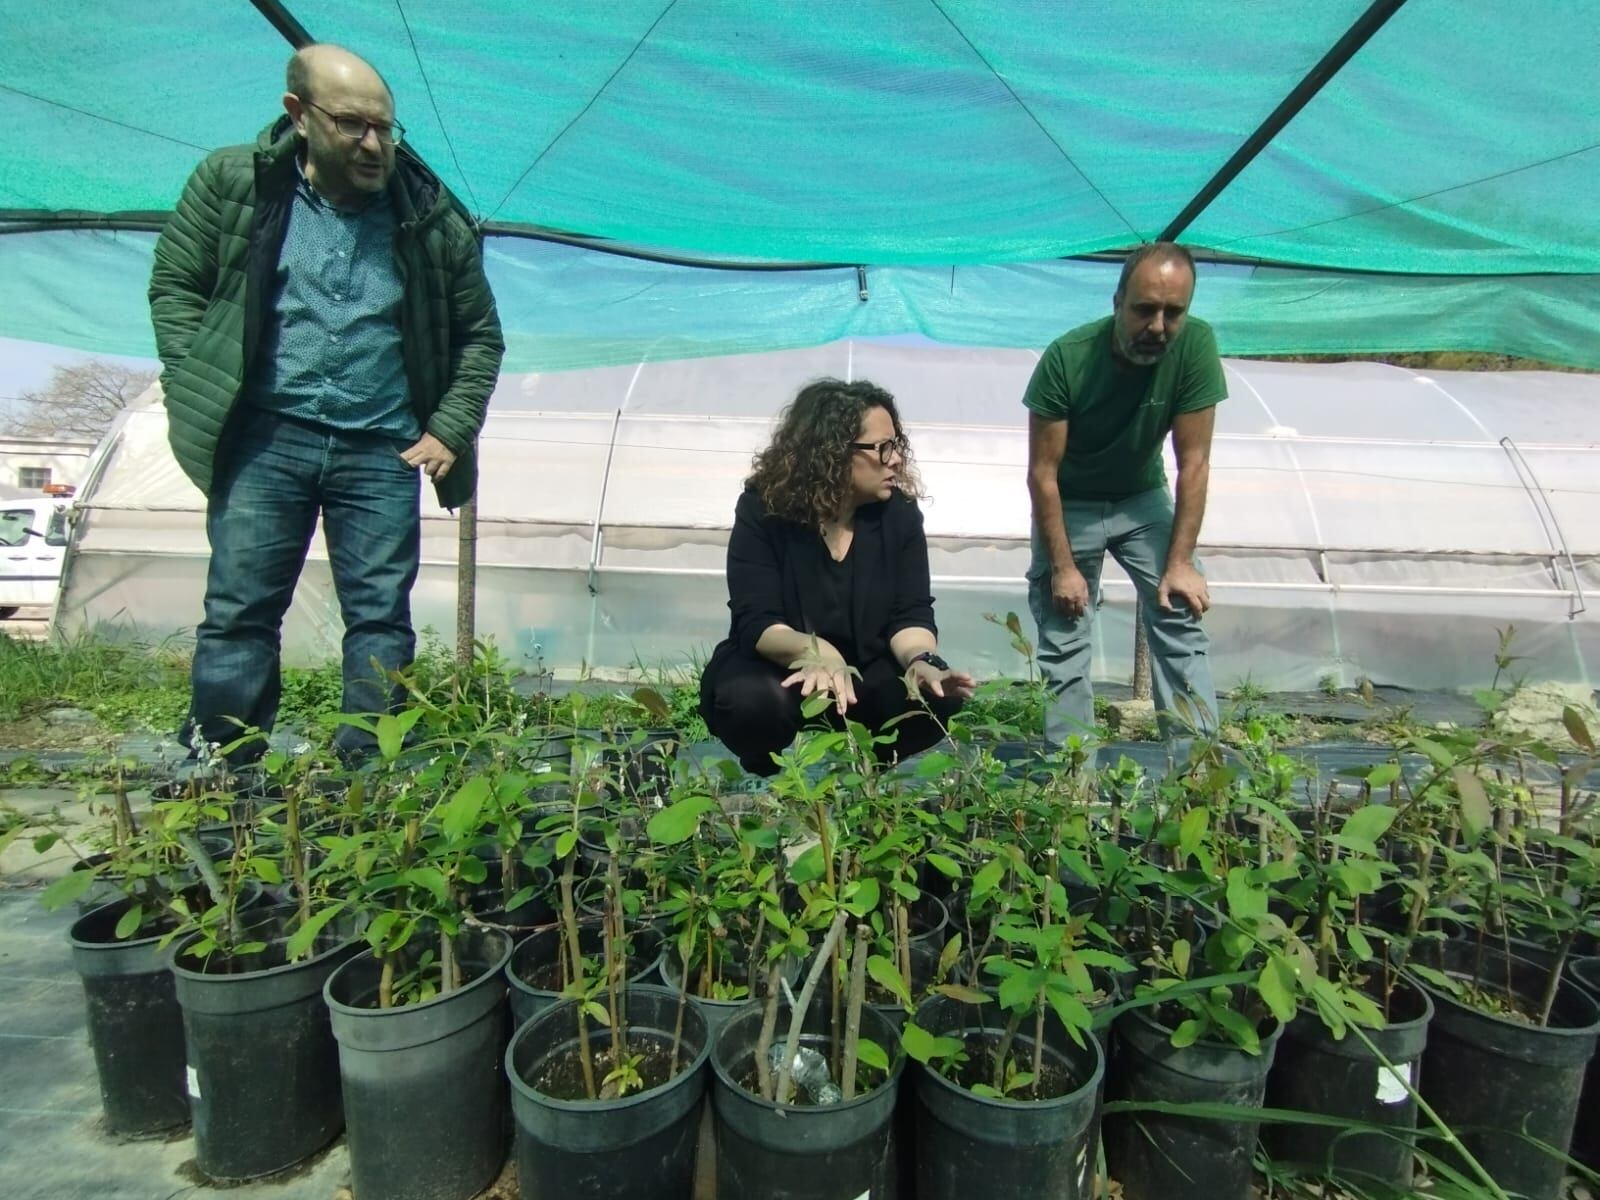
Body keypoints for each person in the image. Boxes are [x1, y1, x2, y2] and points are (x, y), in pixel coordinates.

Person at [148, 44, 504, 762]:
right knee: (240, 610)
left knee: (379, 617)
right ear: (299, 115)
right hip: (265, 439)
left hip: (381, 447)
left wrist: (449, 428)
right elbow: (176, 287)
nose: (375, 144)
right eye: (352, 125)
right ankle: (222, 763)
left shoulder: (433, 221)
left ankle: (369, 776)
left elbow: (480, 338)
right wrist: (198, 377)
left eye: (386, 127)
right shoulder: (235, 185)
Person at [699, 379, 975, 776]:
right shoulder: (764, 511)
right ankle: (768, 772)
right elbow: (756, 620)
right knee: (750, 702)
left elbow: (910, 614)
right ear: (831, 453)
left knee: (933, 697)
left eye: (897, 445)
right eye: (883, 447)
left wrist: (921, 660)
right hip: (782, 665)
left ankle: (872, 773)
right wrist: (818, 652)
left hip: (868, 669)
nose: (896, 459)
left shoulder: (898, 516)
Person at [1023, 242, 1225, 750]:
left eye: (1173, 312)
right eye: (1144, 309)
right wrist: (1064, 568)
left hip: (1141, 496)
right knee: (1064, 625)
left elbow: (1194, 462)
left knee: (1179, 609)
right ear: (1117, 301)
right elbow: (1043, 474)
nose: (1157, 326)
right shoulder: (1067, 359)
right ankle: (1070, 785)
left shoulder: (1195, 346)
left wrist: (1179, 562)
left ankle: (1196, 774)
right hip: (1070, 500)